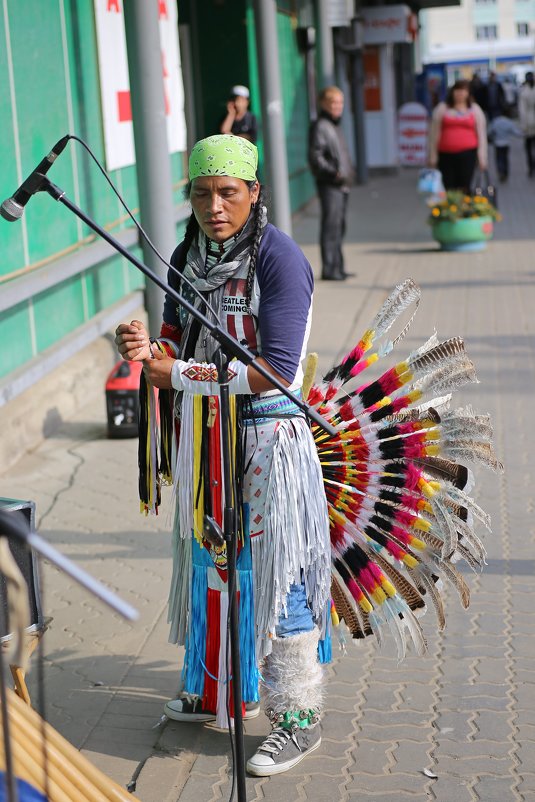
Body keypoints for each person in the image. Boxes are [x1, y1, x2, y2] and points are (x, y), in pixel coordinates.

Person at [115, 134, 330, 776]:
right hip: (206, 439)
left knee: (278, 575)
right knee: (212, 564)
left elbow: (279, 369)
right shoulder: (187, 253)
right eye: (202, 193)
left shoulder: (279, 259)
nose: (214, 206)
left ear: (253, 193)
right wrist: (146, 345)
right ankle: (214, 689)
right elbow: (178, 338)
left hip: (268, 436)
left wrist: (179, 375)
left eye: (228, 193)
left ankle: (298, 720)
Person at [308, 86, 355, 282]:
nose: (338, 106)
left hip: (341, 184)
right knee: (331, 226)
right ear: (324, 104)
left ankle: (338, 266)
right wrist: (334, 173)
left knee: (339, 226)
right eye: (333, 102)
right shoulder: (321, 125)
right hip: (331, 184)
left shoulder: (334, 124)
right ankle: (329, 269)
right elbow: (315, 156)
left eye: (340, 102)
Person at [429, 79, 487, 193]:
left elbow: (481, 134)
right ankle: (450, 209)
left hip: (468, 154)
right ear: (452, 92)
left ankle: (464, 209)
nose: (460, 93)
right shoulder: (442, 108)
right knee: (448, 186)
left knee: (464, 185)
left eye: (463, 90)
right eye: (457, 90)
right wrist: (432, 155)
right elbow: (433, 133)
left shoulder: (474, 109)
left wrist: (482, 157)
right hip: (445, 154)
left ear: (468, 93)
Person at [488, 109, 522, 182]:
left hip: (497, 143)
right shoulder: (509, 122)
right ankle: (505, 172)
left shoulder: (495, 121)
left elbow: (490, 131)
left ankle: (500, 171)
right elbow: (516, 132)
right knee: (505, 158)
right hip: (506, 143)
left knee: (498, 158)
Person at [518, 72, 535, 177]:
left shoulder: (524, 92)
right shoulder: (524, 92)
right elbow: (522, 111)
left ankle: (531, 167)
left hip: (529, 123)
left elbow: (522, 111)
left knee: (529, 148)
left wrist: (523, 125)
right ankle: (531, 167)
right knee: (529, 147)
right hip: (529, 123)